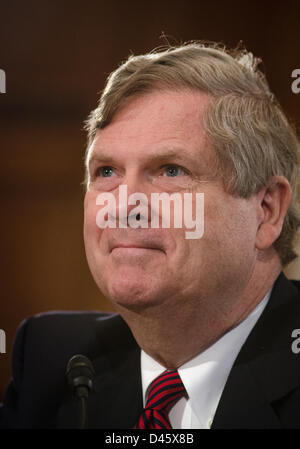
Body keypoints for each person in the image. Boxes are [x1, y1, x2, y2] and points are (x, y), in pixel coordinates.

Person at [1, 41, 300, 429]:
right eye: (107, 172)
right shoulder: (54, 362)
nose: (125, 205)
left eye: (170, 170)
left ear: (266, 211)